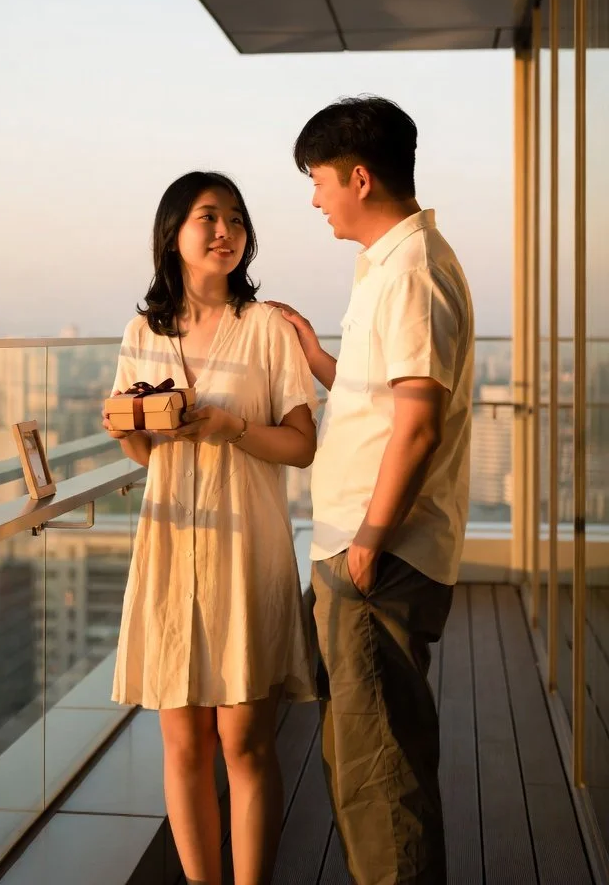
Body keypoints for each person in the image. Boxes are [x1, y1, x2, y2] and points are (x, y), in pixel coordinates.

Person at [270, 96, 474, 885]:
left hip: (376, 555)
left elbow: (418, 426)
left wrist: (366, 544)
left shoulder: (413, 274)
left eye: (318, 180)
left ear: (359, 177)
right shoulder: (389, 267)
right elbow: (383, 400)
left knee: (380, 772)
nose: (315, 199)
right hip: (364, 546)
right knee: (363, 760)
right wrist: (318, 357)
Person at [103, 170, 318, 885]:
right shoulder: (143, 332)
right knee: (183, 743)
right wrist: (127, 430)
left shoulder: (267, 329)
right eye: (208, 217)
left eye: (235, 218)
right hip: (169, 551)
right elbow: (149, 455)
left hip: (245, 550)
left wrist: (231, 428)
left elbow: (302, 445)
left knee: (244, 741)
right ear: (174, 234)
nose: (225, 231)